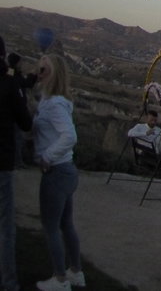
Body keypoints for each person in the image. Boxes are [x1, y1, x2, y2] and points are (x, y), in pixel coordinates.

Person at [32, 54, 84, 291]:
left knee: (51, 227)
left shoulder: (53, 105)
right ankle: (76, 273)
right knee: (66, 224)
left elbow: (69, 136)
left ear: (54, 74)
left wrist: (46, 156)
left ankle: (60, 279)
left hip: (57, 172)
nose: (38, 70)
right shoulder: (54, 101)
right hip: (67, 171)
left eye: (44, 68)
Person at [0, 37, 33, 291]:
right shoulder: (10, 84)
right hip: (2, 160)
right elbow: (25, 122)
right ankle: (8, 282)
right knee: (5, 225)